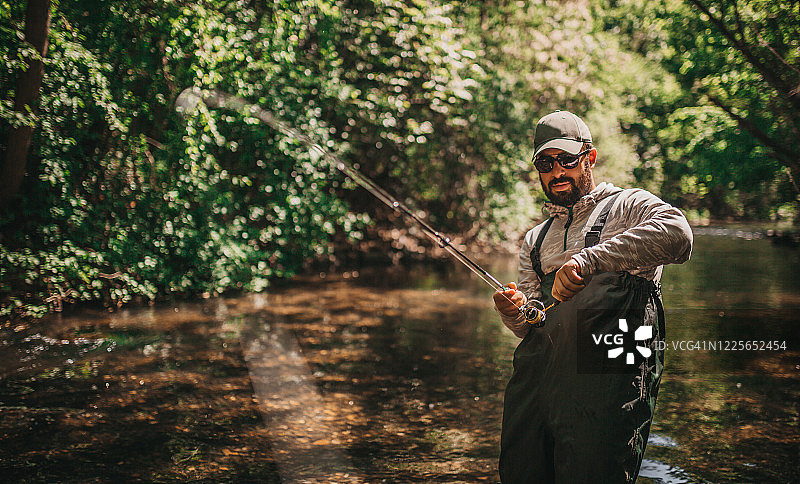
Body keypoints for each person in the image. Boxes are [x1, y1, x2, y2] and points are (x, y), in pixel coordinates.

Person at [493, 110, 693, 483]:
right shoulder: (534, 239)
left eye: (567, 160)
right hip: (541, 382)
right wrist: (515, 312)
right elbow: (531, 323)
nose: (557, 172)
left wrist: (589, 260)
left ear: (590, 158)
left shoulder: (629, 205)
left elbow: (679, 238)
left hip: (615, 371)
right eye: (545, 163)